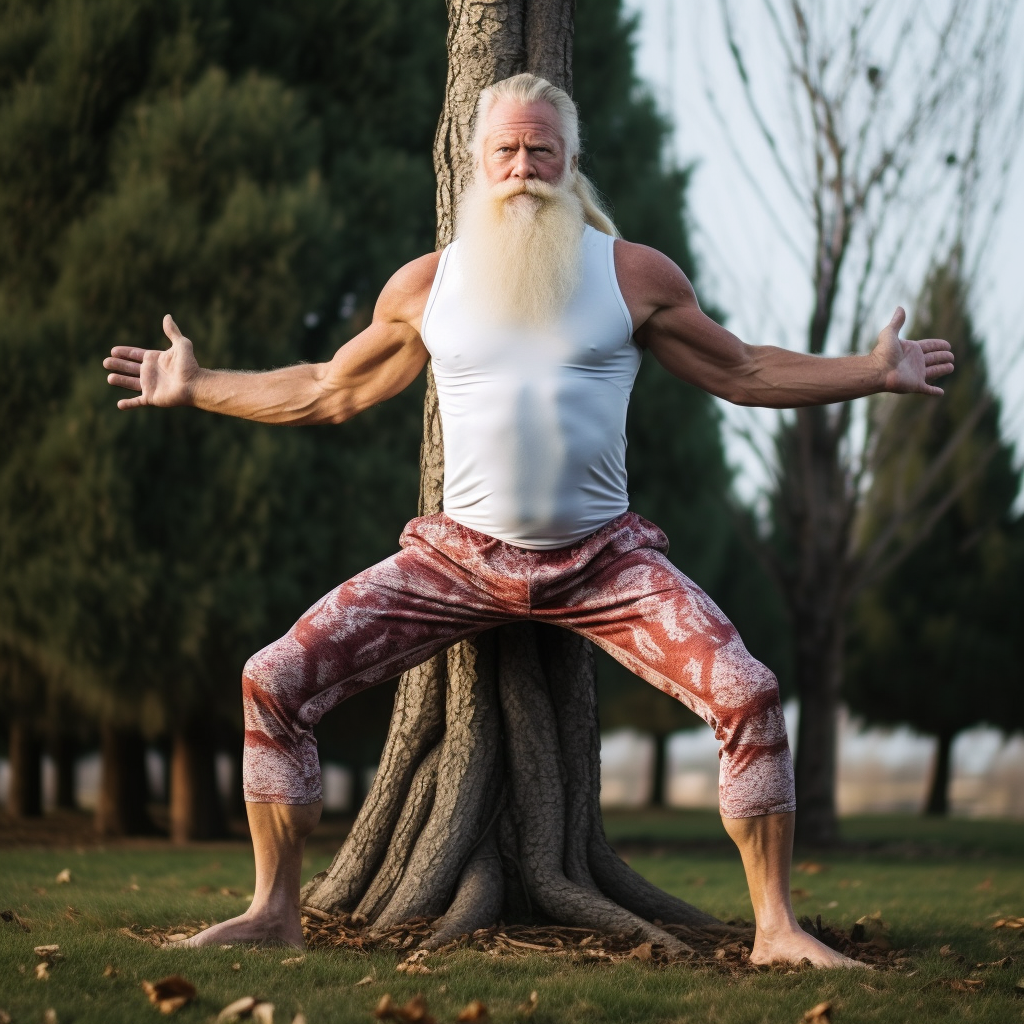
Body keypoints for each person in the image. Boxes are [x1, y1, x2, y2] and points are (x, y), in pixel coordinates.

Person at [103, 73, 953, 966]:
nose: (523, 168)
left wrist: (870, 370)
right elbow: (327, 388)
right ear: (473, 164)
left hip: (603, 563)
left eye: (541, 149)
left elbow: (742, 371)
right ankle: (275, 907)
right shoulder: (428, 285)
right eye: (505, 150)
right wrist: (198, 386)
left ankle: (777, 929)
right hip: (458, 562)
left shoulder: (632, 274)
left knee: (748, 693)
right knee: (273, 680)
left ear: (572, 161)